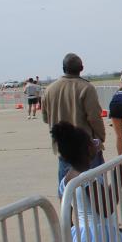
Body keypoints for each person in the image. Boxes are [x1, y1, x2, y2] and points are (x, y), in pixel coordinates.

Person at [41, 53, 106, 197]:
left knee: (66, 192)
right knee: (97, 194)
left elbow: (45, 118)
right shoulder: (86, 87)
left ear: (63, 68)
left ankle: (67, 212)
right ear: (81, 68)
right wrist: (101, 137)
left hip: (64, 149)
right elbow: (94, 117)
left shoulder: (49, 89)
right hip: (86, 149)